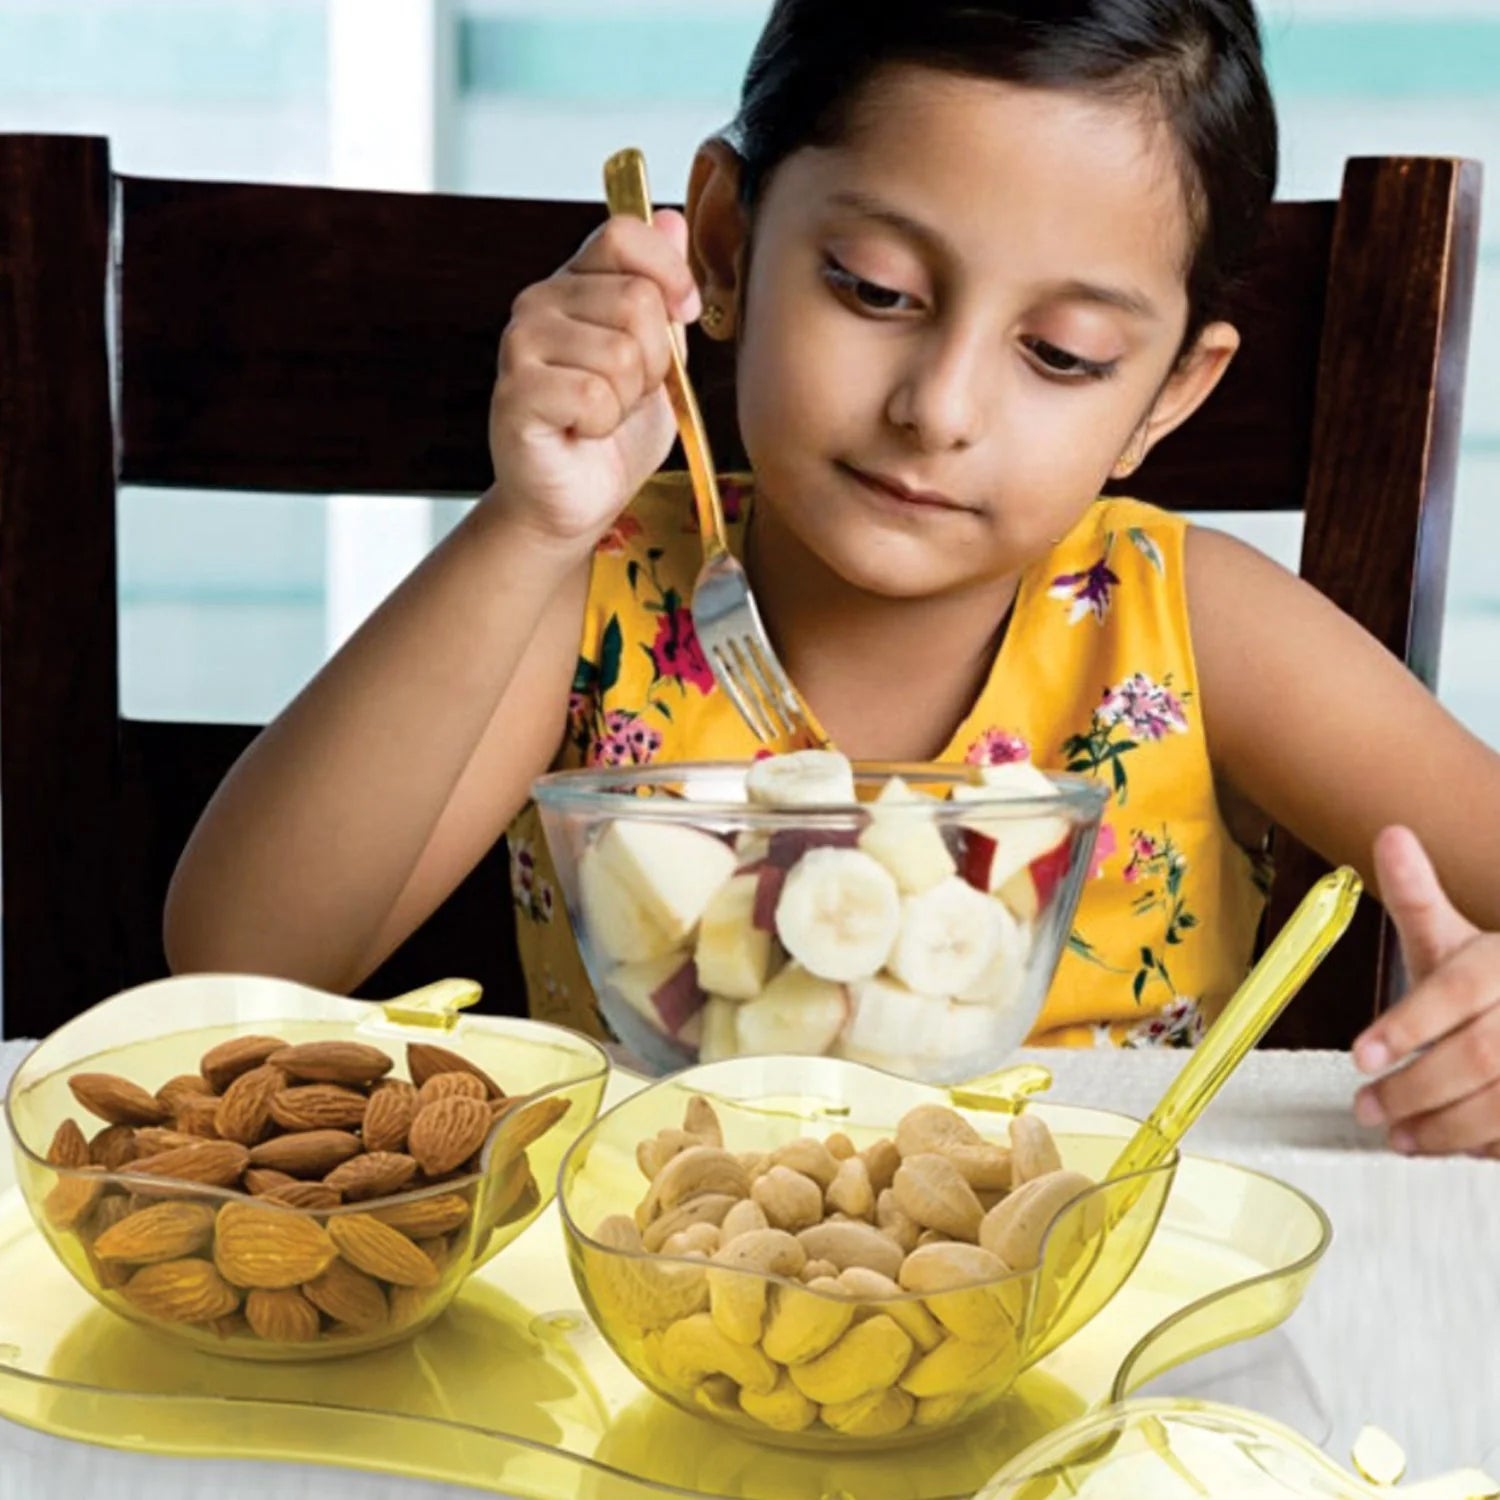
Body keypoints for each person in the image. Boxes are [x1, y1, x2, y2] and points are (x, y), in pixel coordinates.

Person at [163, 0, 1500, 1157]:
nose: (942, 407)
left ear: (1168, 392)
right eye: (871, 290)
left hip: (1095, 1327)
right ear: (729, 247)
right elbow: (239, 962)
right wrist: (530, 524)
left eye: (1067, 354)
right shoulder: (601, 591)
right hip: (650, 1320)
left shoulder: (1184, 622)